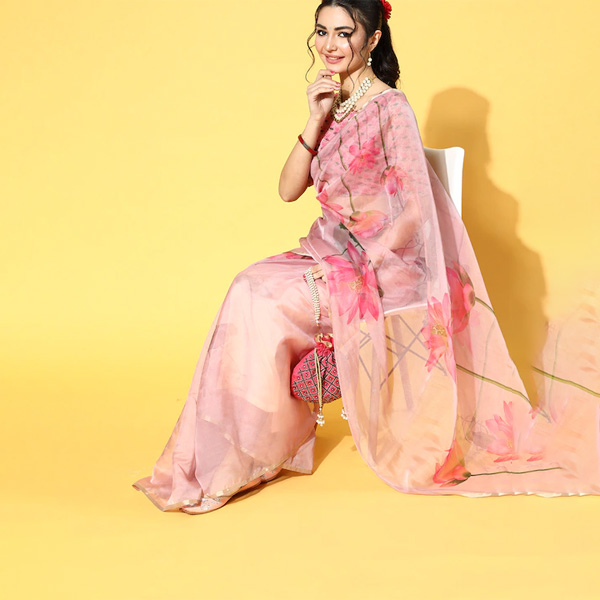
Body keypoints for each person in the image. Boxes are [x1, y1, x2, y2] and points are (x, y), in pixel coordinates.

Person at [132, 0, 600, 514]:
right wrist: (315, 118)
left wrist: (364, 263)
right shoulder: (333, 104)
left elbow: (416, 210)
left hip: (385, 265)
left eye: (344, 33)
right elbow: (287, 190)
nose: (329, 45)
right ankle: (243, 451)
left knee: (260, 300)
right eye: (321, 32)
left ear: (372, 40)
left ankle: (245, 457)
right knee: (247, 285)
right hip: (329, 250)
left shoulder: (391, 108)